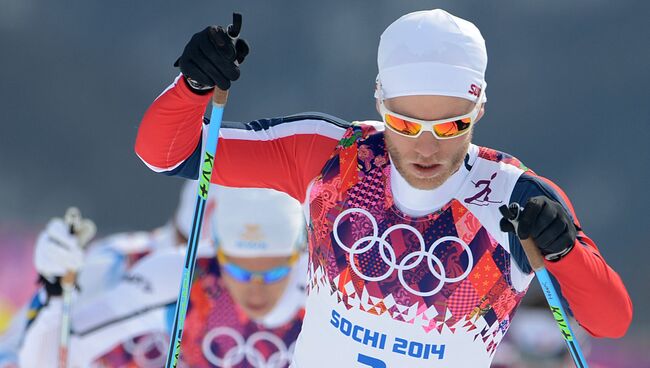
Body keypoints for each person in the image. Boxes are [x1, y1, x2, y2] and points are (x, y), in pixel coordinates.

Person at [134, 9, 633, 367]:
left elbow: (609, 322)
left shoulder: (515, 197)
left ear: (479, 110)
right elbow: (167, 154)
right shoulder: (330, 155)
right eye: (405, 122)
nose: (426, 146)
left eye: (452, 126)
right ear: (379, 102)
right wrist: (194, 86)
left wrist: (565, 250)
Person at [9, 183, 307, 367]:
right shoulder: (137, 265)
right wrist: (54, 292)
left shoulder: (322, 284)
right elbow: (34, 357)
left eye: (273, 271)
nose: (256, 288)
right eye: (237, 270)